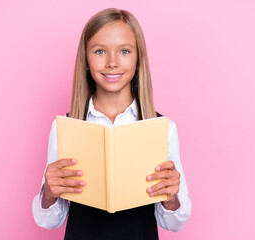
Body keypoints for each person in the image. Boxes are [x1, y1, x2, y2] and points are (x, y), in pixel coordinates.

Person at [32, 8, 191, 239]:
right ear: (86, 60)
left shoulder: (162, 128)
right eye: (99, 51)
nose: (112, 63)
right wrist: (49, 193)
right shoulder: (66, 126)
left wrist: (171, 198)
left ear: (138, 59)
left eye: (124, 51)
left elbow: (174, 224)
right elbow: (49, 221)